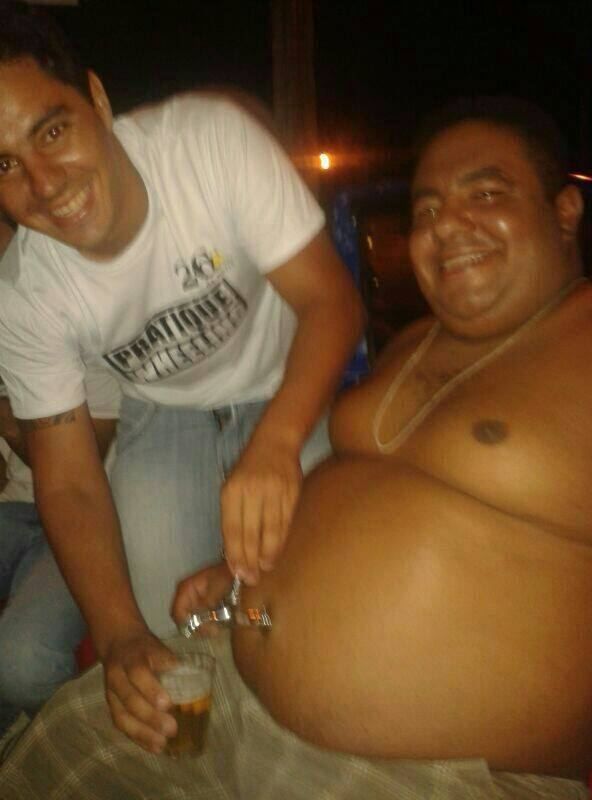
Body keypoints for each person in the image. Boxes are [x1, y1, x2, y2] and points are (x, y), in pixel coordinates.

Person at [0, 97, 592, 799]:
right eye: (427, 209)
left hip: (424, 771)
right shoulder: (416, 345)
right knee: (50, 756)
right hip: (242, 707)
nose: (445, 225)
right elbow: (374, 506)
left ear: (565, 211)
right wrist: (243, 579)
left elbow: (328, 306)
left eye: (487, 195)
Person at [0, 0, 365, 746]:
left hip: (285, 380)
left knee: (314, 608)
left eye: (53, 131)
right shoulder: (25, 292)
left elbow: (332, 302)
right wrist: (117, 635)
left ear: (97, 99)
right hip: (160, 413)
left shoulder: (208, 144)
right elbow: (66, 480)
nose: (43, 182)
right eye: (3, 165)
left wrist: (276, 442)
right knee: (173, 638)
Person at [0, 220, 121, 736]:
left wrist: (4, 414)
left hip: (90, 514)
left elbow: (84, 459)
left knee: (23, 662)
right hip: (13, 510)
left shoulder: (66, 294)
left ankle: (80, 754)